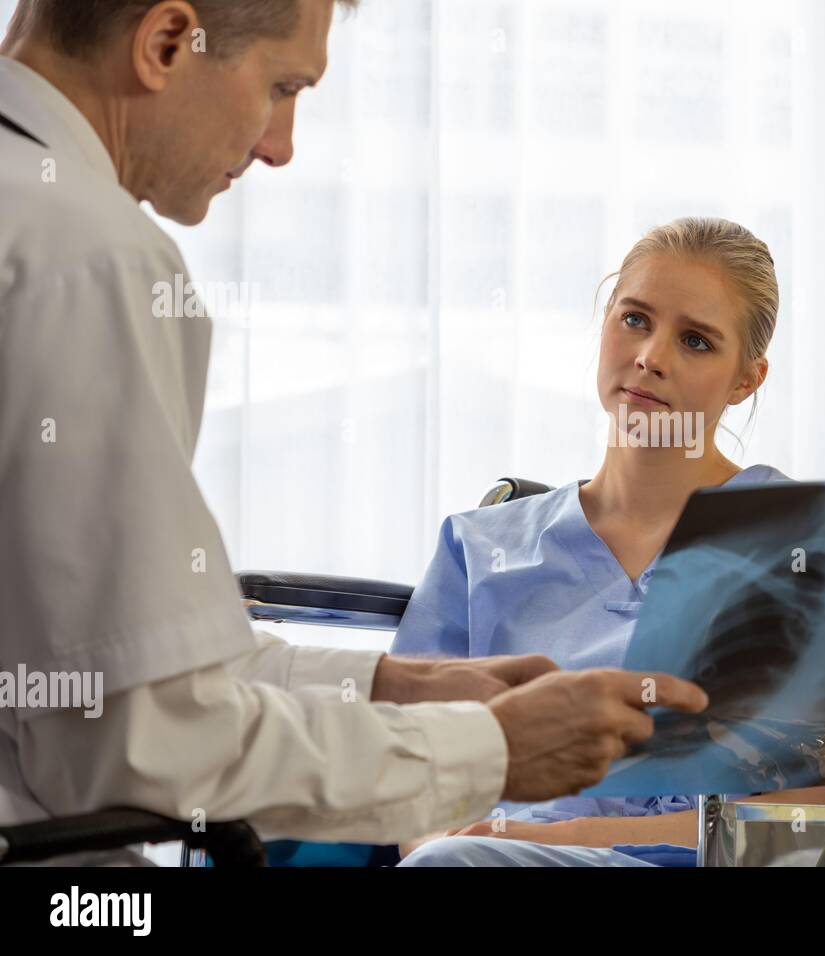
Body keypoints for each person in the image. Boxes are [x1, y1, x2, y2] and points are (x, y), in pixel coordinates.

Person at [0, 0, 706, 864]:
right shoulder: (94, 260)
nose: (281, 144)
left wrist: (394, 683)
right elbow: (142, 743)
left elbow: (87, 667)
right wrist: (491, 753)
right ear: (166, 43)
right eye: (281, 87)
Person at [394, 218, 825, 867]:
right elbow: (416, 781)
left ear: (746, 379)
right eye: (635, 320)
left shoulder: (805, 544)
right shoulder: (482, 547)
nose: (651, 357)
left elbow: (807, 814)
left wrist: (540, 841)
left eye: (695, 340)